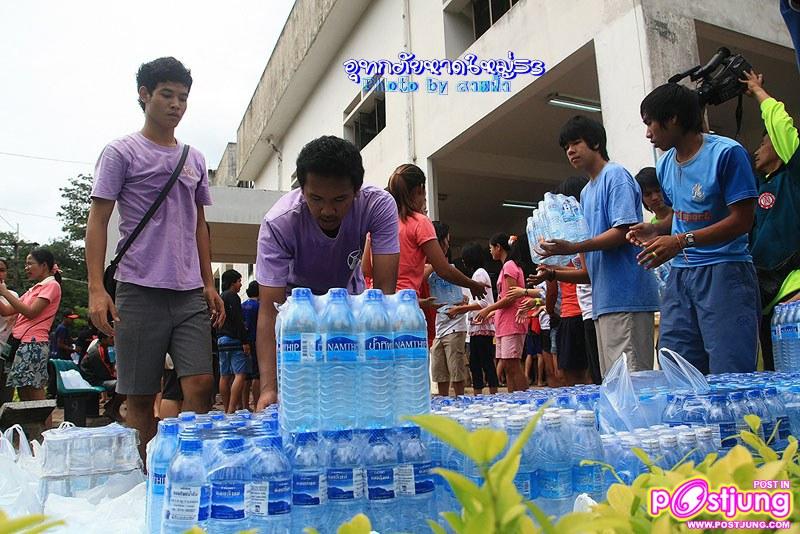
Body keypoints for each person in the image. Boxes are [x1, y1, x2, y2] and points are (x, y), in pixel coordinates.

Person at [85, 57, 225, 461]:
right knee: (140, 395)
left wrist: (208, 282)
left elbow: (200, 224)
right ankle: (150, 480)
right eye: (167, 95)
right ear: (144, 96)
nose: (176, 105)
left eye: (183, 97)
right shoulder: (120, 152)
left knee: (200, 383)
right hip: (138, 289)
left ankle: (191, 468)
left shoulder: (195, 159)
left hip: (187, 294)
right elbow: (98, 219)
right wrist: (97, 288)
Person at [254, 135, 400, 410]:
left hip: (347, 304)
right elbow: (269, 310)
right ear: (302, 190)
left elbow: (383, 293)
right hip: (296, 314)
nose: (328, 210)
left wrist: (380, 374)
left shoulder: (378, 205)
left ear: (357, 191)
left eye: (340, 199)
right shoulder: (279, 223)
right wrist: (268, 388)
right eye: (316, 198)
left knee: (347, 399)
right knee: (303, 401)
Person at [629, 83, 759, 375]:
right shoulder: (664, 166)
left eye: (650, 122)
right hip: (681, 277)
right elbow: (680, 215)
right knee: (677, 366)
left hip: (725, 271)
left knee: (730, 370)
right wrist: (657, 230)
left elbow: (742, 220)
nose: (648, 132)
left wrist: (679, 241)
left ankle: (732, 422)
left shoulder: (727, 154)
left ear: (673, 118)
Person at [542, 115, 659, 375]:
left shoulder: (614, 176)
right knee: (615, 385)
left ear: (595, 142)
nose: (570, 151)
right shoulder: (586, 192)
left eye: (575, 143)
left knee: (632, 384)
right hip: (603, 302)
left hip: (626, 297)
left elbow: (623, 231)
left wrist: (573, 247)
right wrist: (553, 271)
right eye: (566, 148)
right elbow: (589, 269)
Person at [740, 70, 800, 371]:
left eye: (762, 144)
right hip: (763, 297)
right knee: (774, 375)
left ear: (777, 145)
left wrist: (758, 93)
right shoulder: (759, 188)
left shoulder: (794, 177)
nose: (756, 150)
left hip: (793, 291)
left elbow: (780, 124)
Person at [384, 163, 488, 301]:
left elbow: (366, 268)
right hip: (405, 306)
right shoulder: (420, 222)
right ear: (420, 190)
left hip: (378, 306)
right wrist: (472, 285)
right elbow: (443, 269)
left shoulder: (381, 222)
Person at [0, 248, 62, 406]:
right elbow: (7, 311)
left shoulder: (51, 286)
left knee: (35, 396)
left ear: (44, 265)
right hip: (22, 344)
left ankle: (45, 431)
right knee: (24, 395)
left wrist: (5, 293)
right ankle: (32, 430)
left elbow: (31, 312)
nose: (26, 268)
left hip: (33, 344)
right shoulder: (34, 289)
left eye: (30, 264)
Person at [474, 233, 532, 392]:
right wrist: (491, 313)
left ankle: (524, 400)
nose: (490, 251)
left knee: (513, 365)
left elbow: (511, 298)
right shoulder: (506, 267)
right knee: (508, 365)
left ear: (499, 247)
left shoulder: (509, 266)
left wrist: (489, 309)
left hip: (512, 323)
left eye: (491, 248)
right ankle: (514, 399)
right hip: (505, 323)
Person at [448, 242, 499, 395]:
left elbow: (483, 302)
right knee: (479, 362)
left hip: (481, 326)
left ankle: (489, 392)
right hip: (477, 326)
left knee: (482, 362)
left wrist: (460, 309)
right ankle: (483, 392)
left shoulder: (479, 274)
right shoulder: (479, 274)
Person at [428, 222, 469, 397]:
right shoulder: (429, 270)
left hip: (454, 328)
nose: (447, 245)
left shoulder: (452, 270)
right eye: (447, 240)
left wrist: (461, 304)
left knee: (456, 371)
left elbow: (465, 299)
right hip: (438, 328)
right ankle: (443, 406)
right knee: (439, 372)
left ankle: (460, 404)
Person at [218, 269, 250, 413]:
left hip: (221, 340)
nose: (241, 284)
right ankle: (231, 410)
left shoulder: (220, 297)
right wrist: (245, 341)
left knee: (224, 375)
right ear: (232, 283)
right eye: (238, 281)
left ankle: (226, 409)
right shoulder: (233, 297)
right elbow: (238, 320)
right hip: (234, 339)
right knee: (240, 374)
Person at [80, 332, 124, 421]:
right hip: (92, 380)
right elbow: (104, 372)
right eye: (111, 338)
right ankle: (113, 409)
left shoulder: (103, 348)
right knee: (123, 385)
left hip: (97, 377)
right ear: (103, 339)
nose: (113, 340)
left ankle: (111, 407)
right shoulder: (96, 352)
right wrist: (116, 377)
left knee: (124, 383)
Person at [0, 258, 18, 404]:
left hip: (8, 353)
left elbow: (9, 312)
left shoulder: (13, 296)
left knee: (6, 397)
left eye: (2, 270)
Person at [241, 280, 261, 409]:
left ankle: (244, 405)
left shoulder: (242, 305)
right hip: (256, 341)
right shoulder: (259, 306)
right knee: (256, 374)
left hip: (243, 342)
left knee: (245, 375)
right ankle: (257, 403)